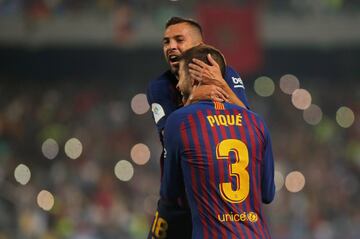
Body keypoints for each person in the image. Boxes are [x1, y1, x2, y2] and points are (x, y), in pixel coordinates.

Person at [147, 17, 250, 239]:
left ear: (199, 46)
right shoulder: (159, 87)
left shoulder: (227, 75)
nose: (171, 46)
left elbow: (249, 124)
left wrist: (221, 85)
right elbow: (171, 138)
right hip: (176, 202)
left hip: (216, 202)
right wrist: (195, 98)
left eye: (179, 40)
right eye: (166, 42)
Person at [160, 44, 275, 239]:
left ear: (195, 77)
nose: (178, 86)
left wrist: (189, 102)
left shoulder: (179, 121)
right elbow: (268, 194)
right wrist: (223, 87)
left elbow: (171, 193)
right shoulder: (257, 123)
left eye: (180, 78)